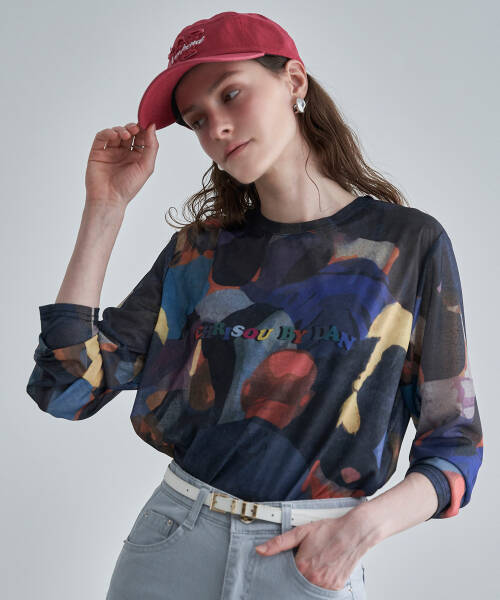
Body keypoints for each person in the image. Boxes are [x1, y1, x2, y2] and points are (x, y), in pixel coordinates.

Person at [26, 10, 483, 600]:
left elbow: (455, 444)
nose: (216, 126)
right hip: (174, 541)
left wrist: (358, 531)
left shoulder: (407, 246)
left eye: (231, 93)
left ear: (294, 81)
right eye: (197, 119)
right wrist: (105, 207)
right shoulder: (199, 253)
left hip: (308, 559)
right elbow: (67, 388)